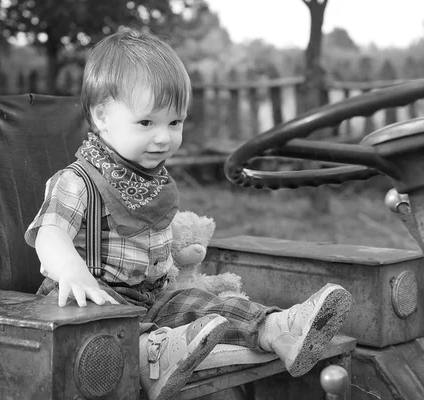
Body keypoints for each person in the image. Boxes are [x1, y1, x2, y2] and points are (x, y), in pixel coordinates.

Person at [25, 28, 352, 400]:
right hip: (91, 301)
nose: (164, 138)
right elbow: (49, 233)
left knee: (208, 304)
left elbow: (152, 241)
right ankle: (155, 356)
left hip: (152, 296)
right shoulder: (78, 181)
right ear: (101, 116)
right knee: (111, 324)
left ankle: (278, 329)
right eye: (147, 123)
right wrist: (71, 270)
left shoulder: (151, 181)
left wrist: (173, 258)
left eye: (174, 122)